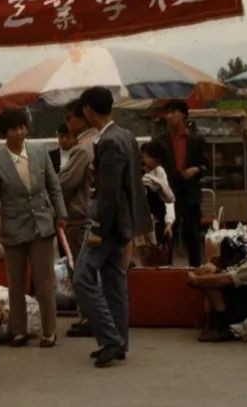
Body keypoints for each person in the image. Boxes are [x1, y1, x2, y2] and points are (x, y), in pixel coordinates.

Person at [71, 87, 151, 367]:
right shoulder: (125, 135)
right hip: (122, 222)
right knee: (115, 282)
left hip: (106, 224)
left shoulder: (108, 142)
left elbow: (108, 194)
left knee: (82, 279)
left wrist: (96, 229)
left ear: (88, 110)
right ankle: (119, 340)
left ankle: (109, 338)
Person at [0, 109, 68, 347]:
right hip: (13, 227)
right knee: (16, 282)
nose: (20, 132)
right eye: (14, 129)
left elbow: (53, 185)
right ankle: (18, 330)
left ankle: (49, 330)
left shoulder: (39, 151)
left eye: (23, 127)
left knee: (44, 281)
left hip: (42, 224)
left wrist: (61, 213)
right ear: (4, 133)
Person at [188, 203, 247, 342]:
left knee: (208, 278)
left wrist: (197, 281)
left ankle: (224, 324)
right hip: (245, 289)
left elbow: (231, 278)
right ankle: (212, 319)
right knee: (207, 269)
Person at [59, 100, 100, 338]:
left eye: (69, 118)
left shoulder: (83, 148)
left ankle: (90, 316)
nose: (67, 123)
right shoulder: (96, 142)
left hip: (79, 216)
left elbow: (66, 182)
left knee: (80, 271)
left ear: (82, 118)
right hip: (89, 214)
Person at [156, 100, 210, 266]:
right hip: (168, 192)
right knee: (167, 232)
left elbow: (206, 165)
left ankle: (195, 268)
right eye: (168, 113)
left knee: (192, 233)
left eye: (174, 112)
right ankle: (165, 268)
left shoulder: (196, 140)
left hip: (190, 192)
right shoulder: (160, 141)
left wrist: (195, 169)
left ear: (184, 115)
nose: (169, 116)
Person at [141, 140, 176, 244]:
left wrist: (169, 223)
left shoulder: (159, 171)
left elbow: (168, 199)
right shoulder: (136, 171)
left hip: (157, 218)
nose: (156, 165)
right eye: (155, 161)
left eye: (158, 163)